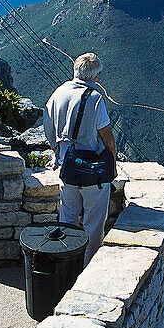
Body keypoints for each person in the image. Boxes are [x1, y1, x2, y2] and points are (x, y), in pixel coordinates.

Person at [44, 52, 117, 265]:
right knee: (94, 223)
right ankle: (87, 266)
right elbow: (106, 136)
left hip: (67, 167)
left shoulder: (58, 93)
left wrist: (60, 152)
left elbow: (48, 128)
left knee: (67, 218)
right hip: (92, 171)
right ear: (95, 76)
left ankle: (64, 262)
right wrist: (111, 163)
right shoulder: (94, 98)